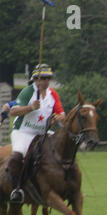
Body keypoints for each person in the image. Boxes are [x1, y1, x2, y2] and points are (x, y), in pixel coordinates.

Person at [7, 63, 65, 204]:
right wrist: (31, 107)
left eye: (47, 78)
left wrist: (59, 117)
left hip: (42, 134)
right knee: (18, 154)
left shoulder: (53, 94)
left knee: (61, 151)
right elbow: (13, 111)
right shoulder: (28, 92)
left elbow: (61, 113)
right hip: (24, 132)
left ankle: (59, 185)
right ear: (35, 79)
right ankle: (17, 189)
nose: (46, 81)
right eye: (43, 78)